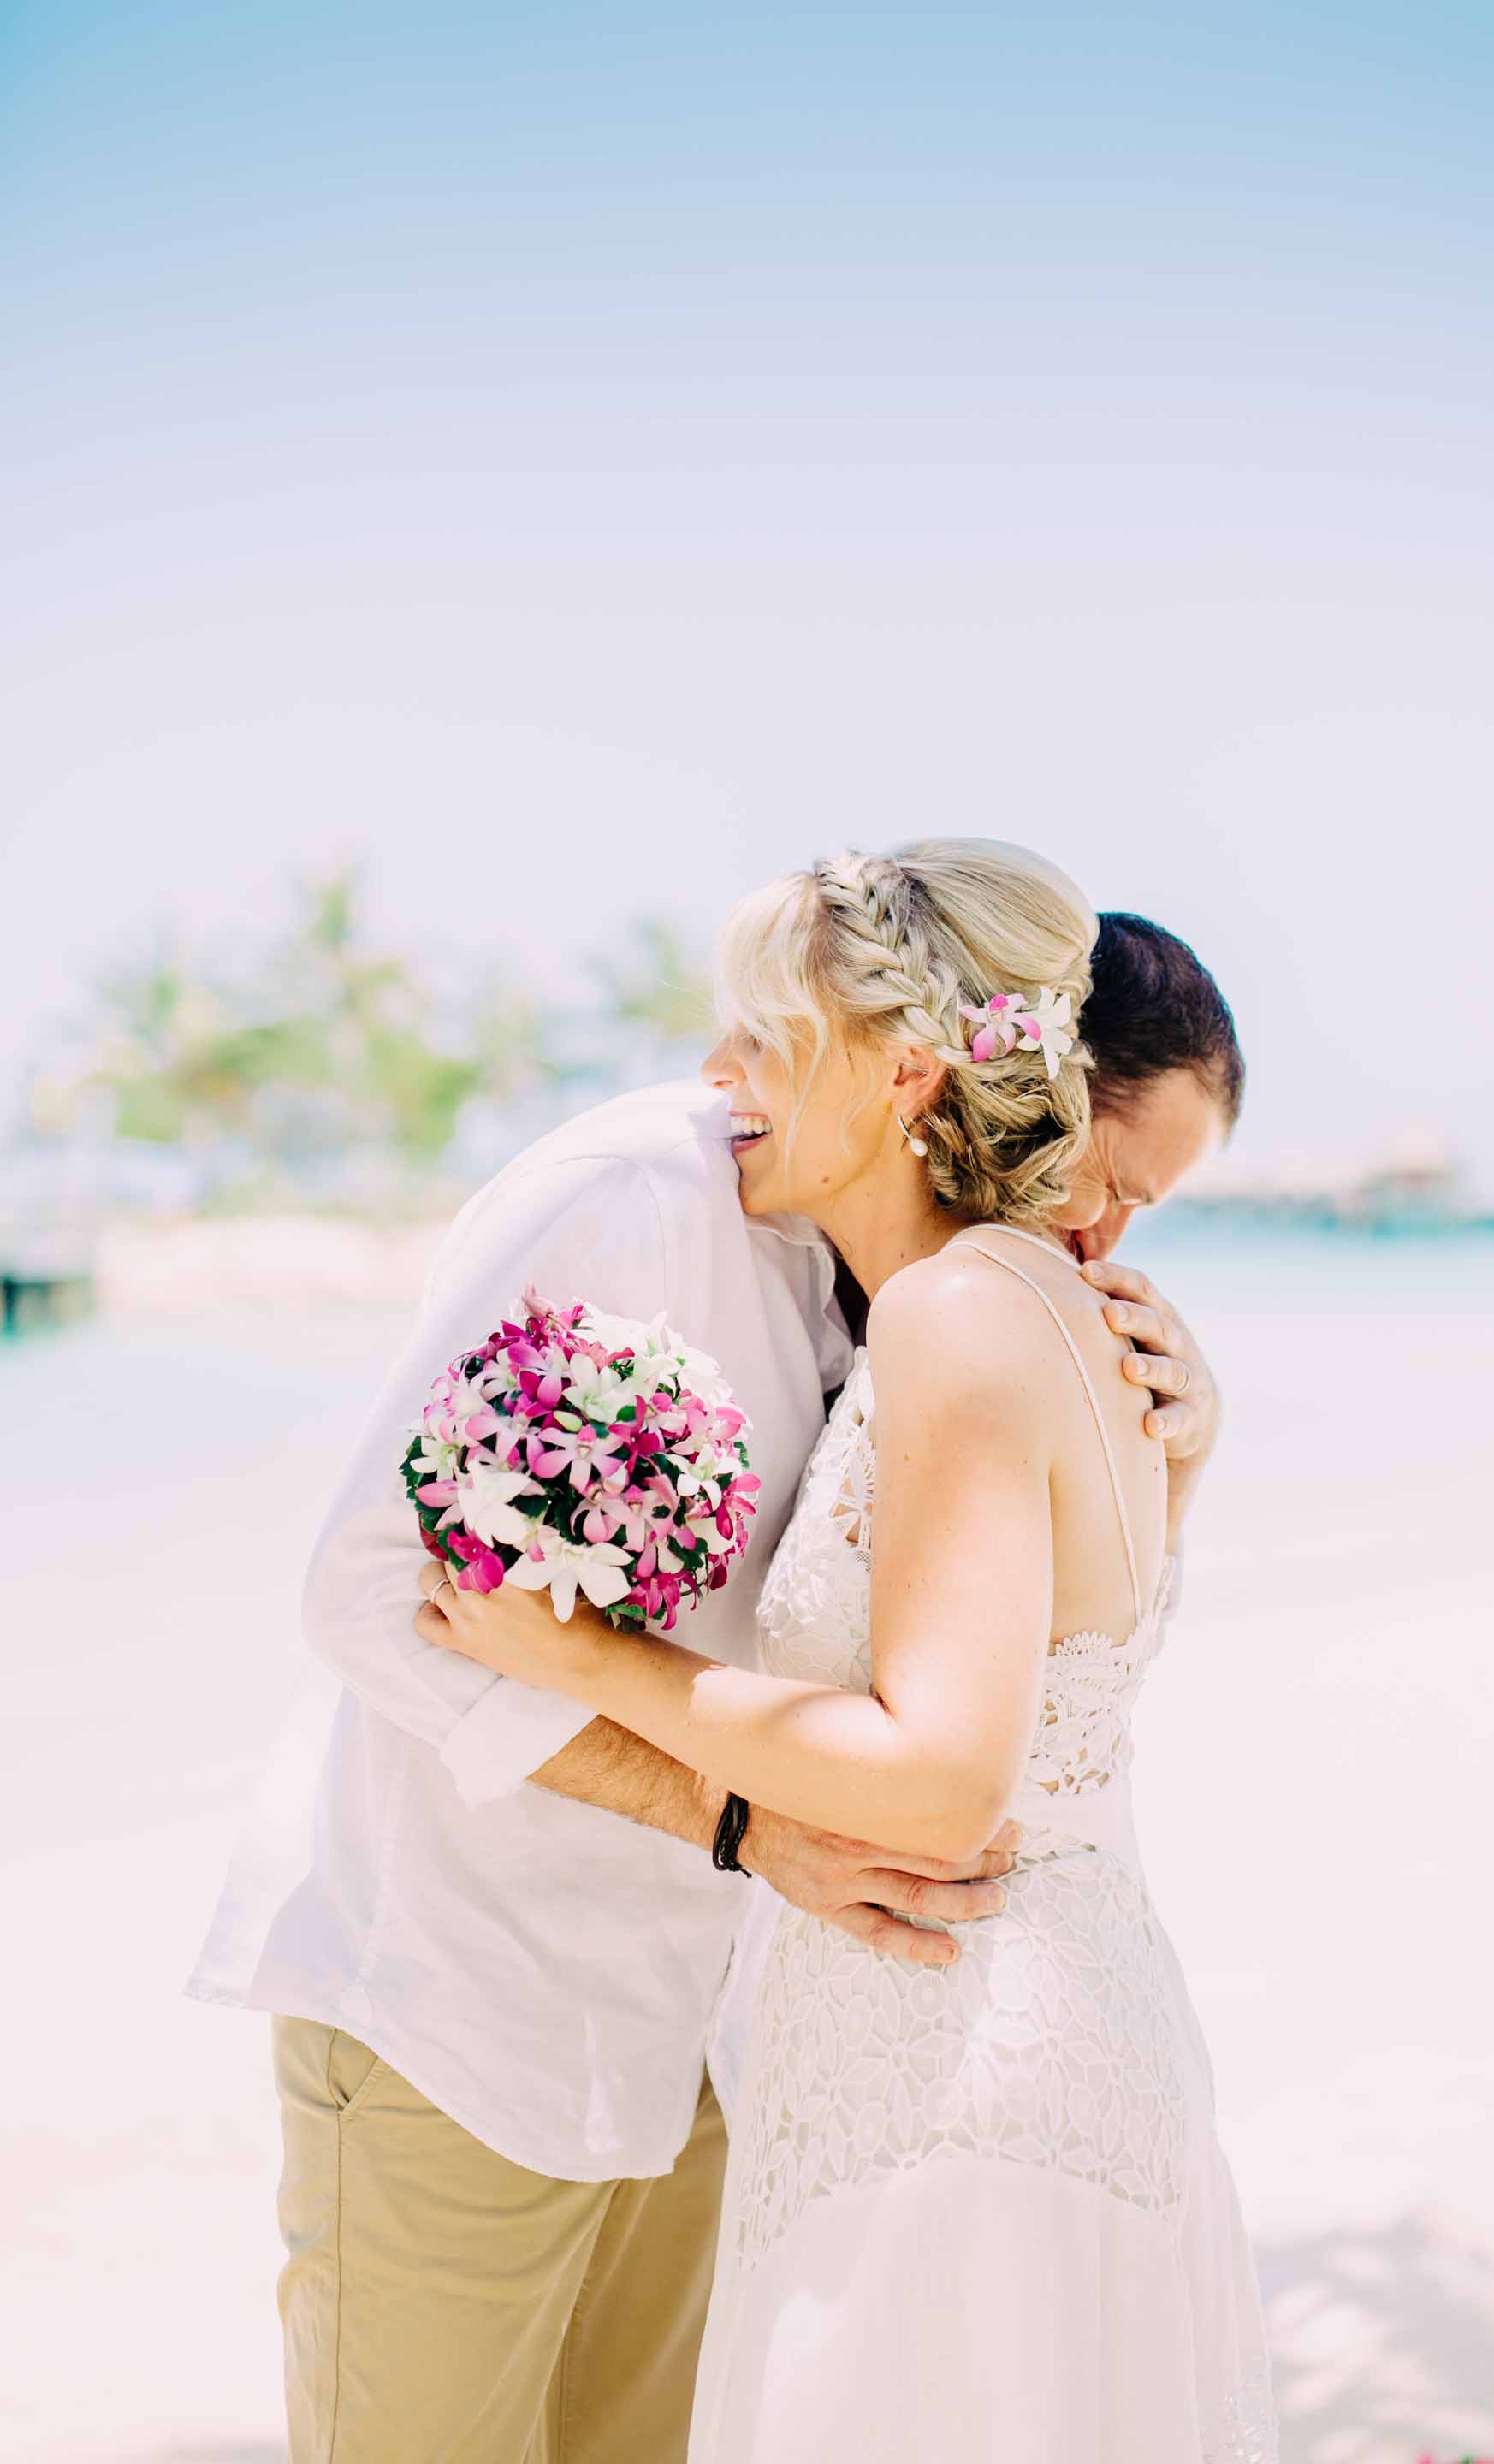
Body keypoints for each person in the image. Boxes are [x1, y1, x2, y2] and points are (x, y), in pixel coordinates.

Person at [186, 856, 1243, 2464]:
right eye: (1108, 1176)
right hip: (469, 2003)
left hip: (742, 2036)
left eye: (1132, 1202)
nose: (1096, 1224)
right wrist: (733, 1818)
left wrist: (1175, 1449)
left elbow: (1022, 1667)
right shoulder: (639, 1200)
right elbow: (363, 1590)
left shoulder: (971, 1307)